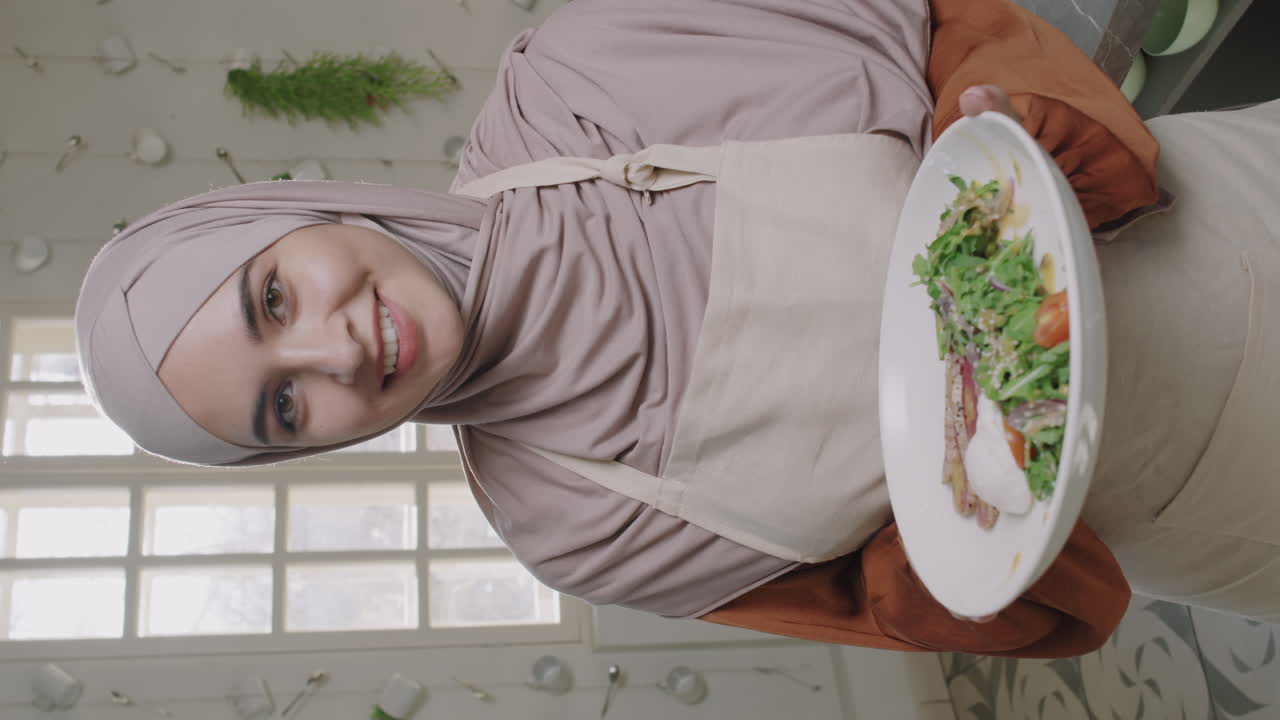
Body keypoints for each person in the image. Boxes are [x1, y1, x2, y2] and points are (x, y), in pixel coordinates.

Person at [75, 0, 1279, 658]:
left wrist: (1028, 112)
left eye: (271, 297)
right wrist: (950, 560)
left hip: (1231, 229)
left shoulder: (584, 72)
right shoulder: (566, 526)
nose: (335, 354)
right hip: (1212, 506)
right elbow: (888, 596)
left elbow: (936, 23)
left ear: (294, 212)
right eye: (284, 409)